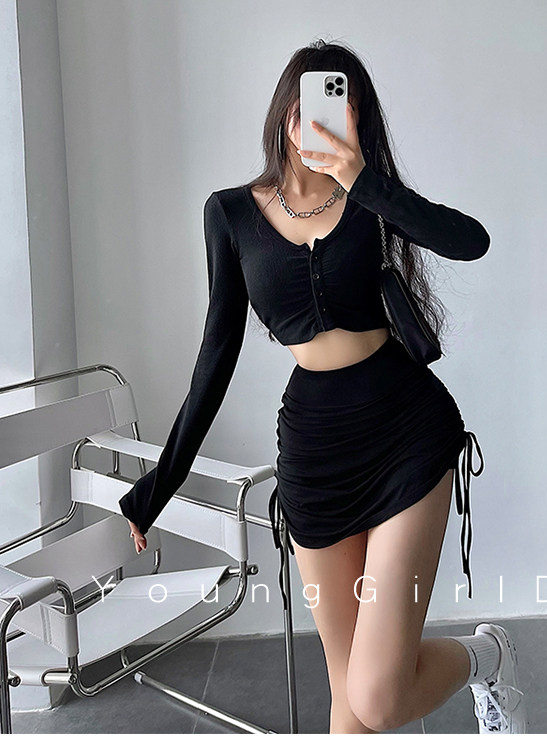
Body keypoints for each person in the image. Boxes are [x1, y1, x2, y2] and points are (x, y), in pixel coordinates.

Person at [118, 39, 526, 734]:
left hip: (405, 433)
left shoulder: (370, 199)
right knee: (350, 699)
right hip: (315, 453)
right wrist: (159, 484)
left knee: (379, 696)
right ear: (286, 112)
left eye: (344, 108)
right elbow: (215, 355)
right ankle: (487, 661)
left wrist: (364, 180)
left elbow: (471, 240)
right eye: (310, 105)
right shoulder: (229, 214)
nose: (325, 121)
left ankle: (489, 658)